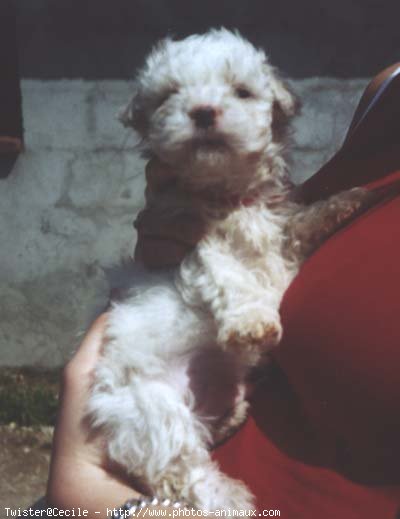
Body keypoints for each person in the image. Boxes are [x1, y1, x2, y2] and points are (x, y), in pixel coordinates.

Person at [45, 64, 400, 519]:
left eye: (240, 92)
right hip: (157, 444)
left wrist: (85, 488)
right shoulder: (387, 92)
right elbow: (279, 236)